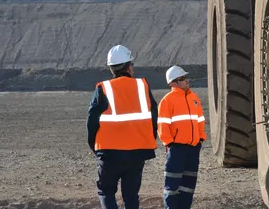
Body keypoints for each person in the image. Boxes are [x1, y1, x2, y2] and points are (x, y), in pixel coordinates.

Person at [86, 45, 158, 209]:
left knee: (106, 191)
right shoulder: (142, 86)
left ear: (112, 69)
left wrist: (94, 146)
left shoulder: (103, 89)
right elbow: (154, 115)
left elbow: (91, 121)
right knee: (131, 196)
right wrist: (148, 139)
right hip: (137, 153)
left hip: (109, 154)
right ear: (129, 66)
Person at [157, 65, 207, 209]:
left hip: (193, 148)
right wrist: (170, 143)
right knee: (172, 186)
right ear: (173, 83)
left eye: (186, 77)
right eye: (182, 78)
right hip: (177, 149)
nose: (186, 80)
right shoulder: (167, 100)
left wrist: (200, 139)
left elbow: (200, 120)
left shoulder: (194, 98)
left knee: (188, 186)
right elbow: (163, 125)